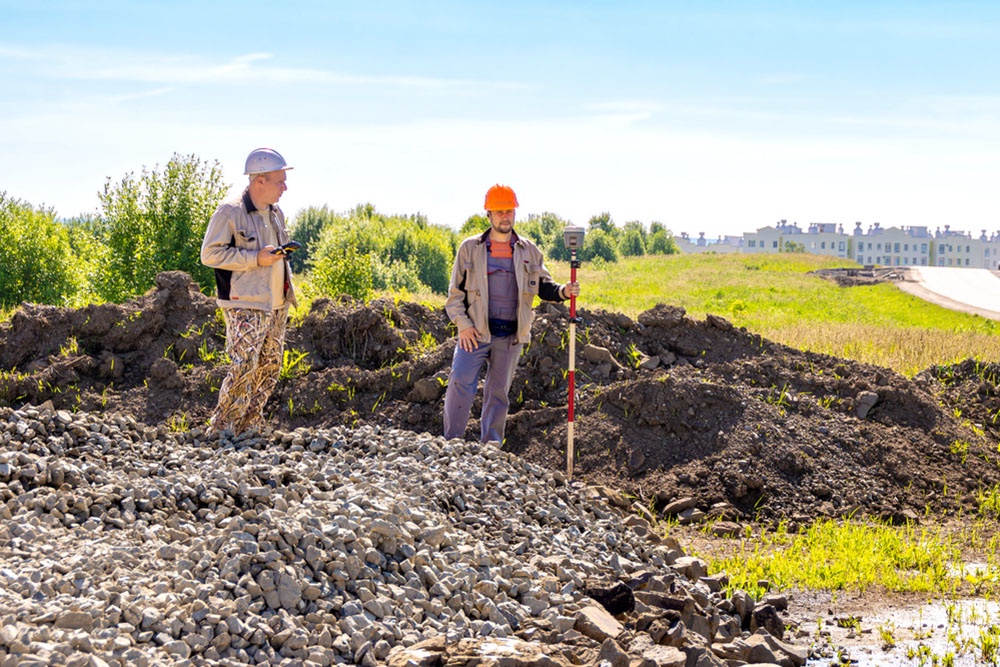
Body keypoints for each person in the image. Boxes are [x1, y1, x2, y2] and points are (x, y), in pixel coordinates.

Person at [443, 184, 580, 443]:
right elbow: (454, 295)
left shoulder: (528, 250)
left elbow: (543, 285)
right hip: (476, 332)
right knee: (460, 381)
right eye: (499, 211)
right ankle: (451, 443)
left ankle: (490, 449)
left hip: (511, 336)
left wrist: (564, 291)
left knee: (498, 393)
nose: (505, 216)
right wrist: (463, 324)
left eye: (509, 211)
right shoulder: (470, 248)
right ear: (489, 215)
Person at [200, 148, 298, 435]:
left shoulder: (276, 213)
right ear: (259, 181)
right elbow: (210, 255)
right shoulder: (229, 212)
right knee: (244, 364)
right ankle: (222, 429)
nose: (285, 187)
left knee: (270, 367)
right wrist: (255, 258)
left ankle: (249, 425)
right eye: (279, 181)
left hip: (277, 304)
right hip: (245, 303)